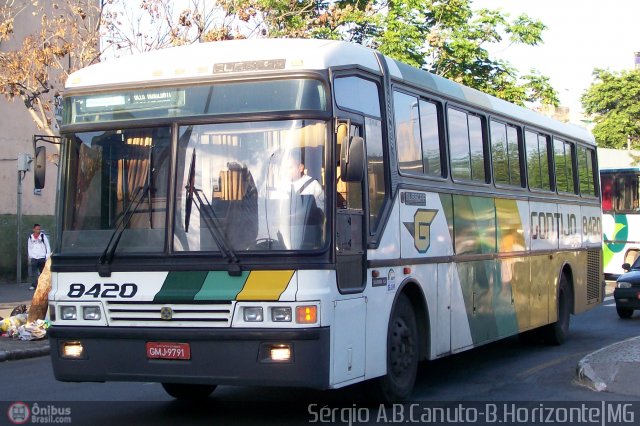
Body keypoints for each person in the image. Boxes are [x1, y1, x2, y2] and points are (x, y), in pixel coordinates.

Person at [27, 223, 51, 290]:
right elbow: (29, 247)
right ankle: (34, 285)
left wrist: (47, 255)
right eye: (37, 229)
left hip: (42, 257)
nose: (38, 230)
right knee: (34, 272)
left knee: (42, 272)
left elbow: (47, 246)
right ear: (34, 229)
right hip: (34, 257)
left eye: (39, 229)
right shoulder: (31, 237)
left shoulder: (43, 236)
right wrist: (31, 256)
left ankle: (43, 285)